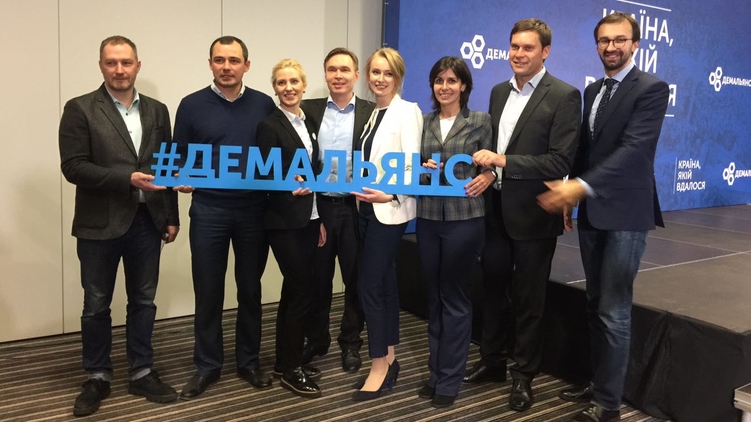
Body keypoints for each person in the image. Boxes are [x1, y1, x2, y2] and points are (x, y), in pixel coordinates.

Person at [538, 12, 669, 422]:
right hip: (593, 211)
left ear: (635, 44)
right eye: (604, 40)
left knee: (614, 310)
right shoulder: (594, 90)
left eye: (619, 40)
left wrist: (579, 187)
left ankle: (609, 405)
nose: (611, 47)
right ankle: (600, 384)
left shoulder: (651, 88)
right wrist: (571, 194)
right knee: (596, 305)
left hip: (626, 215)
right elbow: (586, 150)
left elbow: (634, 150)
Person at [59, 35, 180, 417]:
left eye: (126, 62)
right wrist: (126, 178)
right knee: (96, 304)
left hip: (148, 221)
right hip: (98, 224)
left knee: (143, 301)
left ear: (137, 66)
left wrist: (171, 216)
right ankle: (97, 375)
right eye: (111, 62)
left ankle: (141, 371)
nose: (119, 70)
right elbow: (73, 166)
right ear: (101, 66)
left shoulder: (158, 110)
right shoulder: (80, 108)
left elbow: (166, 166)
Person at [470, 18, 582, 412]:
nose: (518, 54)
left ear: (545, 52)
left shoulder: (564, 95)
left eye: (528, 48)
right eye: (514, 46)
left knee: (529, 299)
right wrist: (489, 169)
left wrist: (502, 161)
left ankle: (523, 376)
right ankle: (492, 361)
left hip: (535, 214)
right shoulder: (499, 91)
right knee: (492, 290)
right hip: (494, 210)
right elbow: (490, 148)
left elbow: (559, 161)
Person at [173, 36, 276, 399]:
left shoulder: (264, 104)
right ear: (210, 64)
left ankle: (249, 361)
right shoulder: (190, 105)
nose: (226, 67)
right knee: (208, 290)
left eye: (234, 60)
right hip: (208, 210)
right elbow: (179, 157)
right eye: (219, 60)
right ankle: (207, 365)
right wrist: (181, 176)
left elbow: (276, 155)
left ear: (247, 65)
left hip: (254, 210)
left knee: (250, 289)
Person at [415, 57, 493, 409]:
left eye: (451, 80)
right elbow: (413, 171)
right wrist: (424, 169)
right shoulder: (424, 122)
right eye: (438, 80)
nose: (444, 87)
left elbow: (489, 166)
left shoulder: (480, 121)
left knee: (455, 298)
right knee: (434, 298)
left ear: (463, 85)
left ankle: (450, 378)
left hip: (465, 220)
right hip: (429, 219)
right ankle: (435, 374)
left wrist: (490, 175)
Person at [350, 47, 423, 401]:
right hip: (365, 211)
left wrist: (391, 194)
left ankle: (378, 364)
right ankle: (391, 358)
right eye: (375, 72)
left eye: (388, 73)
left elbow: (412, 164)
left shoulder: (407, 111)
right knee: (384, 285)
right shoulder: (371, 114)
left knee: (369, 286)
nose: (380, 79)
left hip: (389, 211)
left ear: (398, 77)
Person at [255, 59, 327, 398]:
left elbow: (313, 170)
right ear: (275, 88)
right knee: (302, 291)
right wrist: (287, 182)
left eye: (294, 81)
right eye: (281, 82)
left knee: (294, 292)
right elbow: (264, 172)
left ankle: (285, 361)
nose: (288, 88)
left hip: (309, 218)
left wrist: (319, 218)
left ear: (303, 85)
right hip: (283, 222)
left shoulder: (308, 121)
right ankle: (291, 367)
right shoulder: (269, 126)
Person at [299, 48, 374, 373]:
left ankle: (351, 342)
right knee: (318, 279)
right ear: (325, 74)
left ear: (356, 75)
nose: (338, 75)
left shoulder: (372, 112)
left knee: (355, 279)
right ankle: (317, 339)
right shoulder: (308, 110)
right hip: (319, 208)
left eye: (345, 69)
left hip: (354, 208)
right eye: (332, 69)